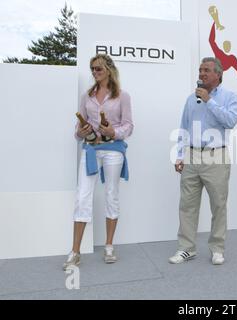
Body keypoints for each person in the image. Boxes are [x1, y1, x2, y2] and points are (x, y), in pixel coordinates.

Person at [63, 54, 134, 270]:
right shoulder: (87, 96)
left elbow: (129, 126)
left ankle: (109, 246)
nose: (94, 72)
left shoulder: (122, 96)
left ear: (109, 70)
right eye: (92, 69)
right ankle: (75, 252)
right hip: (91, 149)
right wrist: (82, 131)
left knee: (111, 194)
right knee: (82, 196)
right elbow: (78, 130)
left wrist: (114, 131)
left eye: (98, 69)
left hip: (114, 151)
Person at [169, 57, 237, 265]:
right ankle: (186, 248)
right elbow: (183, 127)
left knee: (218, 205)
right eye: (200, 70)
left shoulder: (230, 97)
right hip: (191, 155)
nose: (201, 74)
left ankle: (217, 248)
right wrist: (179, 154)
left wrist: (209, 100)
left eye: (206, 70)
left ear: (218, 74)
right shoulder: (191, 99)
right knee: (187, 205)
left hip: (216, 156)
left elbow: (230, 121)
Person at [208, 5, 237, 87]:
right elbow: (211, 40)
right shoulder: (219, 53)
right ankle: (216, 20)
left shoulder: (232, 58)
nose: (227, 47)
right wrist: (214, 24)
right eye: (225, 44)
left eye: (228, 45)